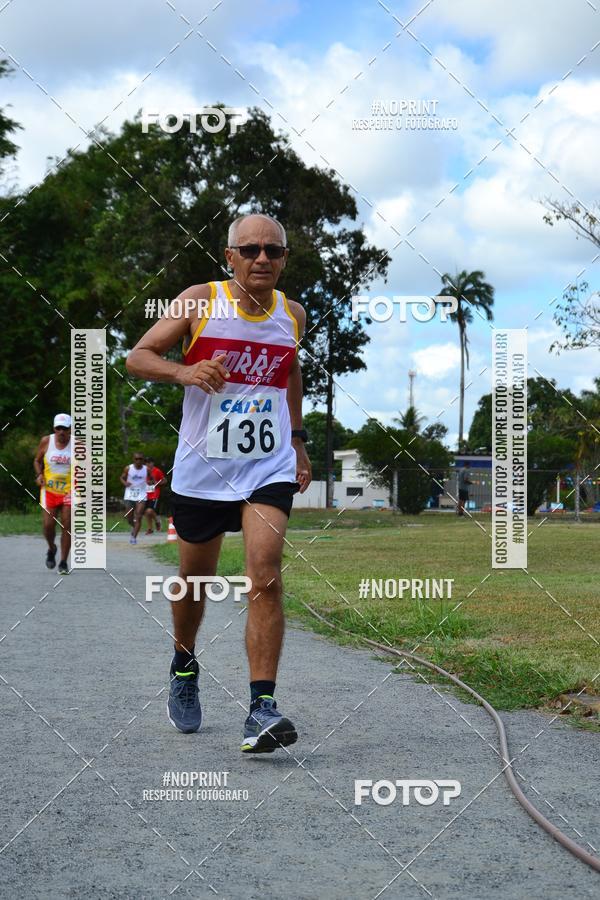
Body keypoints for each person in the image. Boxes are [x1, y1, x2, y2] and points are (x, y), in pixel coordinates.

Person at [126, 213, 311, 753]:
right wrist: (184, 371)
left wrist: (296, 439)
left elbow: (291, 372)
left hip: (267, 466)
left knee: (265, 575)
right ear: (229, 257)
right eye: (250, 249)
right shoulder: (199, 300)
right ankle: (184, 662)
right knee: (195, 581)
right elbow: (137, 356)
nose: (262, 259)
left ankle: (262, 707)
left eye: (273, 251)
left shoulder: (292, 314)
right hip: (203, 470)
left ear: (283, 259)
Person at [34, 413, 72, 575]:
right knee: (48, 525)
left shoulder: (78, 445)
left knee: (67, 525)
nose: (61, 432)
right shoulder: (46, 441)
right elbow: (37, 460)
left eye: (65, 428)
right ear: (54, 429)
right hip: (49, 490)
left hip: (70, 490)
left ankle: (63, 562)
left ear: (70, 429)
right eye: (58, 428)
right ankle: (52, 547)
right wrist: (39, 475)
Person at [120, 453, 150, 544]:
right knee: (129, 517)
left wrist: (151, 482)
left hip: (141, 494)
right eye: (136, 459)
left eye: (140, 459)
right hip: (130, 494)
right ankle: (133, 526)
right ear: (133, 459)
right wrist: (125, 483)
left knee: (138, 515)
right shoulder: (128, 468)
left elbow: (152, 479)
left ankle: (134, 537)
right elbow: (121, 477)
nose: (138, 461)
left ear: (143, 460)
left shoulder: (146, 469)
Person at [144, 457, 167, 534]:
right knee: (146, 512)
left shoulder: (157, 471)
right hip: (145, 494)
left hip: (154, 494)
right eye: (146, 462)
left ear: (153, 463)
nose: (148, 464)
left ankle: (157, 521)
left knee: (149, 511)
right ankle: (150, 528)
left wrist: (156, 483)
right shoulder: (143, 471)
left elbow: (164, 481)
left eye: (149, 462)